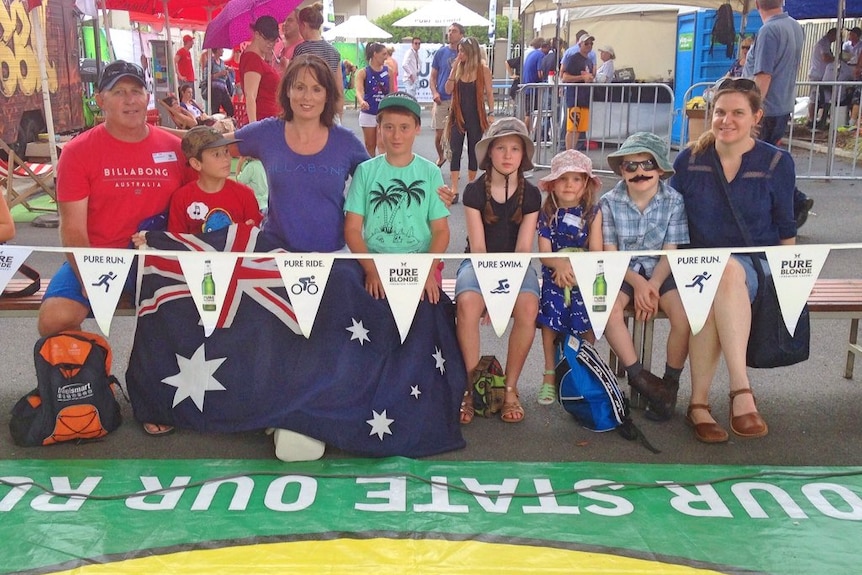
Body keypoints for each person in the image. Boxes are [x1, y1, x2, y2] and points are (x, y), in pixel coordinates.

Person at [38, 60, 193, 436]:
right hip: (98, 256)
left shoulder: (175, 149)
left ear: (148, 97)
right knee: (54, 319)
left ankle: (158, 395)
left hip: (159, 261)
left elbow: (196, 208)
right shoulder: (78, 152)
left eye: (136, 91)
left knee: (189, 311)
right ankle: (92, 382)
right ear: (100, 100)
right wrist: (91, 279)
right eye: (118, 92)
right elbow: (73, 230)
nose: (129, 100)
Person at [670, 78, 796, 443]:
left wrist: (790, 278)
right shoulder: (690, 159)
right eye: (720, 112)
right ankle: (734, 394)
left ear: (756, 116)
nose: (726, 120)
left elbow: (786, 228)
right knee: (715, 277)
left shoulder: (776, 161)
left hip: (755, 264)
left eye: (738, 113)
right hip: (694, 266)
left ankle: (706, 401)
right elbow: (668, 219)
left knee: (723, 273)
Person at [456, 118, 541, 425]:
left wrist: (503, 294)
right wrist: (493, 293)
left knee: (529, 305)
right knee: (467, 303)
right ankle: (472, 388)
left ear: (523, 155)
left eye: (515, 148)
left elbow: (523, 249)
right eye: (501, 148)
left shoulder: (532, 195)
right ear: (489, 153)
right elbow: (477, 248)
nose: (508, 154)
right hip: (478, 264)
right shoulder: (473, 191)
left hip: (517, 267)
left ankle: (510, 388)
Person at [600, 132, 691, 422]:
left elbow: (670, 251)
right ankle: (641, 378)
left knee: (685, 317)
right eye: (631, 166)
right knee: (608, 309)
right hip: (623, 269)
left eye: (648, 164)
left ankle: (670, 383)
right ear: (622, 171)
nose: (640, 172)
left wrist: (651, 284)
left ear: (661, 169)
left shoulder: (674, 201)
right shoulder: (609, 202)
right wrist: (638, 283)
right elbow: (611, 253)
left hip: (661, 270)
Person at [344, 92, 450, 303]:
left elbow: (441, 230)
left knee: (428, 312)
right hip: (374, 262)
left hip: (422, 264)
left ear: (417, 128)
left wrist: (428, 272)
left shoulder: (430, 173)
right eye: (389, 127)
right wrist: (371, 269)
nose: (396, 136)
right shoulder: (365, 172)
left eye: (404, 127)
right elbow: (352, 229)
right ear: (379, 127)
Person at [534, 150, 603, 405]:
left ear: (585, 183)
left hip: (584, 274)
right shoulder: (546, 214)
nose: (569, 185)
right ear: (553, 183)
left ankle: (585, 364)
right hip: (555, 274)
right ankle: (549, 373)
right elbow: (543, 254)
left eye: (575, 179)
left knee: (588, 312)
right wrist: (560, 265)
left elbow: (596, 251)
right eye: (563, 179)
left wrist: (575, 268)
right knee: (550, 315)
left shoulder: (593, 213)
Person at [745, 0, 810, 229]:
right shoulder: (794, 26)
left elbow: (763, 76)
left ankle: (791, 205)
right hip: (781, 106)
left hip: (766, 109)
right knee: (769, 162)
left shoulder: (769, 31)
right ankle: (795, 202)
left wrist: (752, 112)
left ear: (756, 3)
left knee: (754, 161)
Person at [134, 127, 261, 243]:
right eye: (216, 154)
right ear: (196, 164)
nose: (226, 158)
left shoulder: (245, 194)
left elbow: (256, 240)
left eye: (226, 151)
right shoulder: (181, 198)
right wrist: (148, 240)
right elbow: (176, 242)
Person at [446, 36, 494, 202]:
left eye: (462, 52)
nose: (460, 55)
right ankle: (454, 188)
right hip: (457, 114)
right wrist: (453, 70)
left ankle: (471, 185)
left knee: (474, 151)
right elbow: (448, 89)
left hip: (475, 114)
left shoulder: (483, 69)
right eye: (459, 51)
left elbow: (489, 92)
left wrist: (491, 112)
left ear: (471, 52)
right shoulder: (458, 67)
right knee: (455, 150)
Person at [293, 3, 343, 115]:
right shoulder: (334, 52)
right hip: (329, 108)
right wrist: (339, 114)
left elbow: (295, 80)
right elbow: (339, 87)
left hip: (308, 107)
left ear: (303, 25)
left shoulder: (301, 50)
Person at [430, 22, 464, 168]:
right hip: (442, 99)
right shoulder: (441, 53)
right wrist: (434, 92)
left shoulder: (465, 53)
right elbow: (432, 77)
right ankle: (440, 156)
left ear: (461, 35)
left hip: (459, 99)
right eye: (449, 31)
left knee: (456, 134)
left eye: (454, 31)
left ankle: (454, 163)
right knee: (439, 134)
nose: (450, 33)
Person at [355, 42, 394, 157]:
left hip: (384, 113)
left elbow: (391, 92)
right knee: (370, 145)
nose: (386, 57)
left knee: (383, 143)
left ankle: (384, 169)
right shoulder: (363, 72)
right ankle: (371, 168)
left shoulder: (388, 71)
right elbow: (359, 90)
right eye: (383, 54)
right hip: (369, 112)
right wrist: (362, 101)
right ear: (374, 54)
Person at [240, 16, 281, 123]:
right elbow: (251, 96)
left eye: (273, 41)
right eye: (267, 40)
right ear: (257, 35)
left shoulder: (256, 58)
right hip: (262, 121)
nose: (270, 44)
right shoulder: (253, 59)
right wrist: (254, 127)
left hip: (266, 120)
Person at [561, 33, 595, 151]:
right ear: (580, 44)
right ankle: (568, 152)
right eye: (586, 43)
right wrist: (582, 78)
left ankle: (572, 151)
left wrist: (590, 79)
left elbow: (587, 77)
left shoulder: (589, 61)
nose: (589, 46)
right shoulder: (574, 58)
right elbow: (565, 77)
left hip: (584, 98)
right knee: (572, 128)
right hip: (574, 98)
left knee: (579, 128)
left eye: (591, 43)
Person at [807, 28, 837, 129]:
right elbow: (825, 57)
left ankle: (818, 120)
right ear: (832, 35)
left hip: (822, 74)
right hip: (817, 74)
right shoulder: (824, 43)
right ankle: (811, 120)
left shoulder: (826, 43)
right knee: (814, 98)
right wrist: (837, 58)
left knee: (822, 98)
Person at [201, 47, 235, 117]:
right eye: (221, 49)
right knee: (215, 110)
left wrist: (227, 71)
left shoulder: (222, 62)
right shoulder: (210, 62)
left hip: (223, 88)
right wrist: (219, 74)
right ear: (217, 50)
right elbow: (206, 76)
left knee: (230, 109)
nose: (223, 51)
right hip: (215, 89)